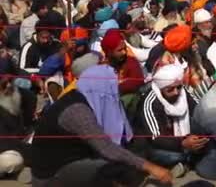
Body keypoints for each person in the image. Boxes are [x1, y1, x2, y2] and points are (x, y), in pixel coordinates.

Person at [30, 64, 172, 187]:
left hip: (74, 160)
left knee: (132, 154)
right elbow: (106, 148)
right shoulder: (77, 111)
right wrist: (151, 168)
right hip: (51, 176)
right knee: (106, 169)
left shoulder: (87, 99)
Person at [135, 64, 203, 178]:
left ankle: (185, 162)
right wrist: (183, 143)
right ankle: (184, 161)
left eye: (179, 87)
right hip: (157, 146)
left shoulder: (182, 91)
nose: (176, 92)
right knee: (174, 156)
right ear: (161, 89)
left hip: (182, 140)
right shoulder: (150, 103)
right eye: (170, 89)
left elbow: (199, 109)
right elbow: (156, 138)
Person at [0, 74, 36, 179]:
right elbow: (5, 143)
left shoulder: (13, 98)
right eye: (4, 84)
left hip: (15, 145)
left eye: (10, 82)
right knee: (12, 161)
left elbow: (30, 96)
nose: (8, 86)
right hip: (6, 148)